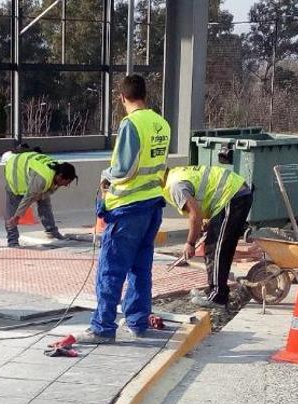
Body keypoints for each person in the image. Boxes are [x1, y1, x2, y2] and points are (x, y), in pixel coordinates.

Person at [78, 74, 169, 343]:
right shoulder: (161, 123)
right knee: (141, 268)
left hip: (128, 209)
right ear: (145, 95)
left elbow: (124, 169)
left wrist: (106, 174)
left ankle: (103, 326)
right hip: (152, 205)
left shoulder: (131, 124)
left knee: (111, 269)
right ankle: (138, 321)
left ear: (121, 98)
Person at [162, 165, 253, 309]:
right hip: (234, 193)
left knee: (216, 248)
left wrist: (190, 243)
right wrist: (206, 222)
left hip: (232, 196)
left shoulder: (174, 187)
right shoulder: (175, 174)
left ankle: (217, 297)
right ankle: (213, 291)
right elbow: (203, 199)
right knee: (218, 247)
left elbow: (195, 214)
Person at [4, 151, 77, 247]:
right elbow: (28, 198)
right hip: (14, 169)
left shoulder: (57, 172)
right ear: (60, 177)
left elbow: (49, 191)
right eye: (66, 182)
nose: (66, 185)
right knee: (12, 210)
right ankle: (12, 240)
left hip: (29, 169)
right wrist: (17, 216)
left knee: (45, 203)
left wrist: (40, 196)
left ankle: (52, 232)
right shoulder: (42, 179)